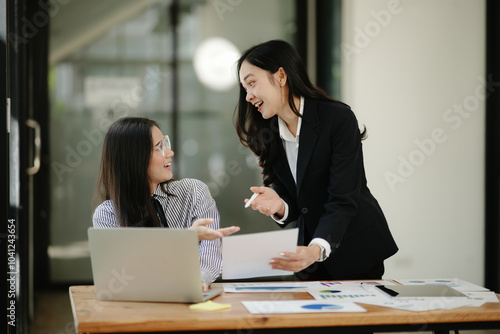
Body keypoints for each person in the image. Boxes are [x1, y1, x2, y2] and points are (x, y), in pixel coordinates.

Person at [235, 40, 398, 281]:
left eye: (251, 83)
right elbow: (295, 195)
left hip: (354, 249)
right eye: (244, 88)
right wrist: (280, 204)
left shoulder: (338, 119)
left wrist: (316, 249)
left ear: (280, 76)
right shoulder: (268, 133)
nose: (248, 96)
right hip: (304, 256)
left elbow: (343, 198)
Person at [92, 117, 239, 291]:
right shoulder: (108, 214)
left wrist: (197, 281)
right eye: (158, 147)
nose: (169, 152)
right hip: (138, 305)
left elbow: (210, 251)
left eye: (165, 143)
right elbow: (123, 275)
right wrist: (185, 240)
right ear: (134, 158)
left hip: (191, 299)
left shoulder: (194, 192)